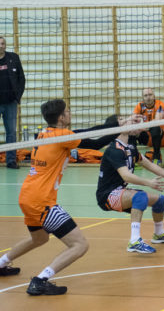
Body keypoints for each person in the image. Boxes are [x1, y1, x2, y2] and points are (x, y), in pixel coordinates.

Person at [0, 99, 88, 296]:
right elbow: (93, 141)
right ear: (61, 117)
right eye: (67, 111)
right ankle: (40, 280)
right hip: (42, 201)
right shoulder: (62, 135)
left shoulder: (44, 133)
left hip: (27, 196)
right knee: (80, 245)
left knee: (39, 238)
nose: (70, 113)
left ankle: (1, 263)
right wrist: (117, 127)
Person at [96, 114, 164, 254]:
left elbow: (148, 164)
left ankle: (159, 234)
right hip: (107, 195)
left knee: (160, 201)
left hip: (120, 190)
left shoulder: (130, 147)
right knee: (140, 197)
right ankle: (134, 241)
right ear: (116, 128)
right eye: (122, 120)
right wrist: (148, 183)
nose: (127, 120)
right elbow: (126, 175)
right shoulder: (114, 149)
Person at [0, 36, 25, 169]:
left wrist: (17, 97)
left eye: (3, 43)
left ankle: (11, 161)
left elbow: (21, 79)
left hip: (10, 103)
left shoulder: (13, 58)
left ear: (5, 45)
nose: (1, 46)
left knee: (11, 133)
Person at [133, 87, 164, 165]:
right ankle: (134, 157)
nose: (148, 97)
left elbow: (156, 121)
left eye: (150, 95)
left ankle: (156, 158)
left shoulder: (160, 105)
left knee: (155, 128)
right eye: (146, 95)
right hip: (149, 137)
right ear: (143, 97)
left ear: (154, 96)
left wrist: (142, 127)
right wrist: (139, 128)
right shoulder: (140, 106)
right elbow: (133, 121)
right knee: (132, 131)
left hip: (163, 137)